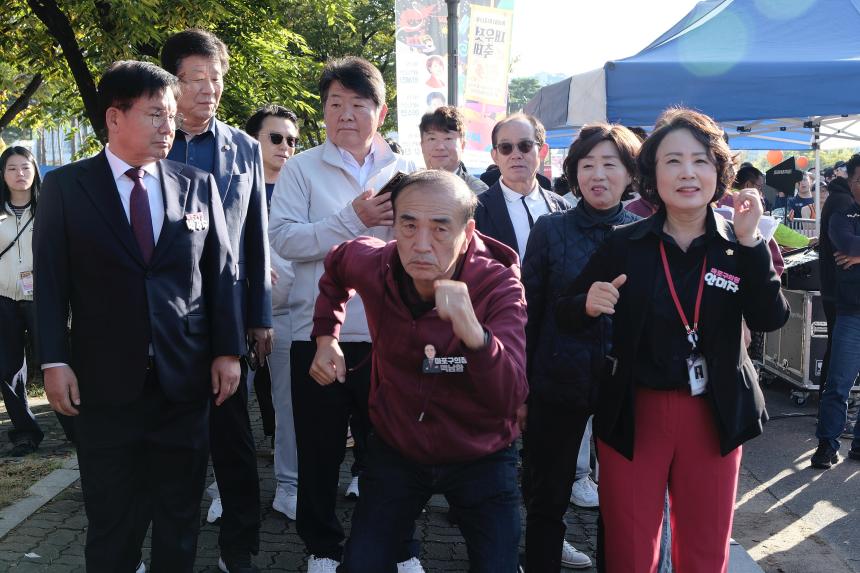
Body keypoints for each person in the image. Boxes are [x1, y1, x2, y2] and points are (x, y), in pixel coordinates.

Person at [556, 107, 789, 572]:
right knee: (631, 548)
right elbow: (566, 313)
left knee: (705, 548)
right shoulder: (624, 243)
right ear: (652, 175)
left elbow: (769, 317)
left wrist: (750, 245)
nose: (688, 173)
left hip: (715, 410)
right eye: (673, 161)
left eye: (700, 161)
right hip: (635, 411)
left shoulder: (737, 242)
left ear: (718, 171)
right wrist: (587, 303)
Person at [33, 60, 243, 573]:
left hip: (184, 380)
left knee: (179, 516)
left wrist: (226, 350)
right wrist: (53, 361)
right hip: (104, 385)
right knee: (112, 519)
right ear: (114, 118)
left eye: (171, 115)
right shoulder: (67, 187)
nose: (168, 127)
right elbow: (51, 284)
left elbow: (222, 275)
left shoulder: (197, 184)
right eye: (155, 115)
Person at [310, 170, 528, 573]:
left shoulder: (499, 287)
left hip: (480, 454)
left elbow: (511, 396)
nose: (421, 245)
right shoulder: (374, 262)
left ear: (468, 231)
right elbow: (336, 268)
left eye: (440, 229)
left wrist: (475, 336)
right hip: (398, 447)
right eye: (408, 225)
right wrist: (326, 336)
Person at [268, 56, 419, 573]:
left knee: (394, 451)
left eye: (357, 104)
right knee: (320, 451)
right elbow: (284, 240)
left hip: (390, 337)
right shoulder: (302, 168)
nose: (345, 115)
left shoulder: (406, 171)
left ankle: (400, 547)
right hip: (320, 337)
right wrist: (350, 219)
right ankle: (322, 548)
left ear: (380, 110)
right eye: (335, 104)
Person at [161, 29, 273, 573]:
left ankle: (239, 549)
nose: (208, 90)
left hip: (226, 320)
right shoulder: (147, 146)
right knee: (166, 446)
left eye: (216, 79)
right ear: (170, 84)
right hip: (163, 325)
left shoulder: (244, 148)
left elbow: (256, 239)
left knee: (235, 444)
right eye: (195, 80)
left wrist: (260, 316)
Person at [521, 123, 642, 572]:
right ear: (573, 172)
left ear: (630, 173)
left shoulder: (644, 234)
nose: (598, 175)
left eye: (610, 164)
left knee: (620, 501)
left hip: (622, 388)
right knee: (546, 497)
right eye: (587, 164)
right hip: (556, 381)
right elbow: (527, 312)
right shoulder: (551, 230)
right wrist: (523, 387)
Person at [245, 104, 300, 520]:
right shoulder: (234, 185)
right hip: (237, 313)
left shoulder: (301, 188)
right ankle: (227, 491)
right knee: (227, 408)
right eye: (276, 138)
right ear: (254, 140)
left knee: (289, 408)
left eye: (292, 141)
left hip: (288, 314)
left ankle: (289, 487)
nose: (285, 147)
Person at [812, 153, 860, 468]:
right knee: (837, 385)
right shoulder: (844, 212)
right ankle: (827, 446)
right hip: (851, 313)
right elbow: (845, 243)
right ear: (851, 181)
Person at [475, 113, 570, 260]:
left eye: (525, 146)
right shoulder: (476, 210)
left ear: (543, 151)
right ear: (495, 155)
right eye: (506, 147)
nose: (516, 155)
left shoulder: (562, 207)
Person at [0, 147, 45, 456]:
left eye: (25, 167)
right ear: (2, 174)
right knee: (8, 368)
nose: (20, 174)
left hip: (43, 297)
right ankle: (25, 433)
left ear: (34, 171)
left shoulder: (49, 208)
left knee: (56, 360)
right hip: (3, 297)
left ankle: (76, 427)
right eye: (12, 168)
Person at [817, 157, 857, 403]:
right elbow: (849, 246)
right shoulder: (843, 203)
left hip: (839, 289)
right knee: (839, 359)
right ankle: (828, 415)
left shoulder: (839, 199)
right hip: (842, 291)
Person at [419, 105, 488, 194]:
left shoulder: (477, 192)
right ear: (422, 146)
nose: (440, 147)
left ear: (462, 145)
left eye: (448, 138)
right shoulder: (409, 190)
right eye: (432, 139)